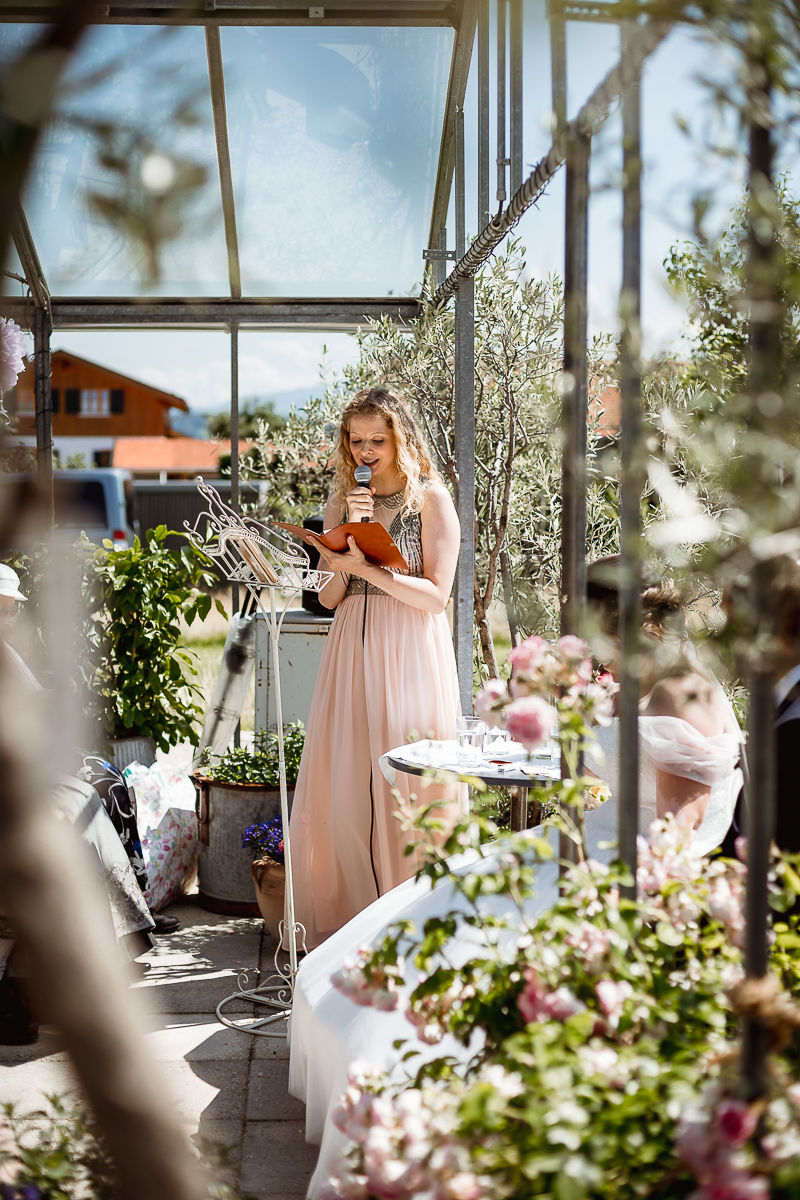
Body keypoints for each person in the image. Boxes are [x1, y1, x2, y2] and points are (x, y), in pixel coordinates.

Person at [288, 563, 745, 1195]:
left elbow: (677, 832)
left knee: (452, 943)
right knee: (429, 918)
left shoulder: (680, 695)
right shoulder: (658, 682)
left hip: (617, 870)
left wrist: (590, 887)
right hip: (589, 841)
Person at [287, 387, 466, 950]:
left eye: (377, 440)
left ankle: (417, 924)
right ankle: (348, 925)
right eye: (356, 440)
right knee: (345, 783)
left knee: (408, 785)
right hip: (352, 646)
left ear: (401, 439)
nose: (365, 452)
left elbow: (437, 596)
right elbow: (333, 596)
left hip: (409, 648)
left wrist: (373, 570)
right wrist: (343, 562)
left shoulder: (431, 499)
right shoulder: (343, 500)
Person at [585, 556, 744, 856]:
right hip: (608, 833)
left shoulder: (681, 697)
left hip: (640, 863)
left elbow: (679, 832)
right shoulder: (638, 688)